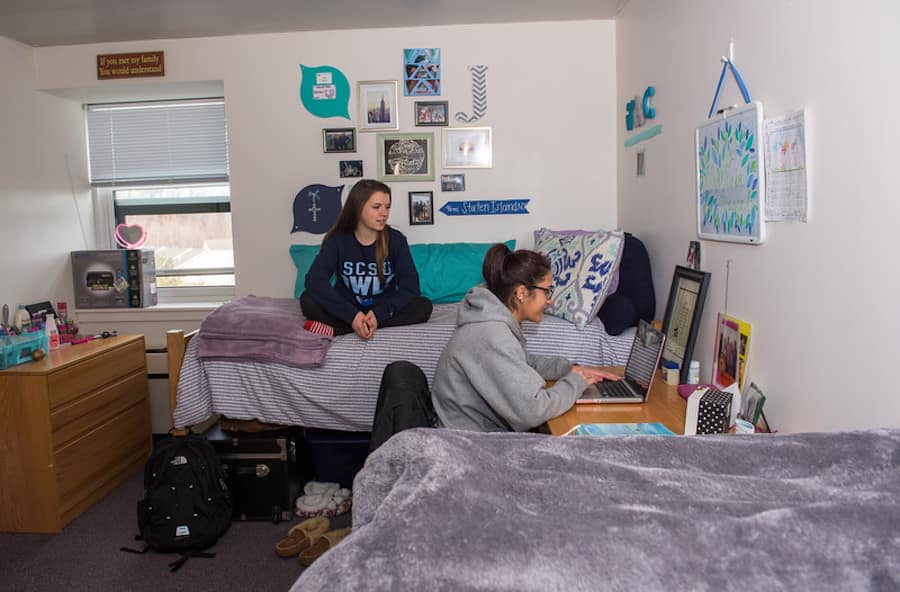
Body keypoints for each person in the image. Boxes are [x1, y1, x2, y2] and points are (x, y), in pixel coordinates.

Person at [430, 244, 619, 432]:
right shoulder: (492, 335)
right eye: (546, 291)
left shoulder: (493, 324)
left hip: (473, 432)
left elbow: (523, 362)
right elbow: (534, 410)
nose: (549, 300)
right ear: (521, 293)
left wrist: (569, 369)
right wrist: (576, 382)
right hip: (466, 443)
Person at [300, 179, 432, 339]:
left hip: (382, 310)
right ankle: (356, 325)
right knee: (307, 300)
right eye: (376, 207)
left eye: (387, 207)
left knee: (424, 306)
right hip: (347, 308)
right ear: (358, 208)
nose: (384, 213)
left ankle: (339, 330)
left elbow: (410, 287)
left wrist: (378, 315)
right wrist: (352, 316)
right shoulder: (337, 240)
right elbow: (314, 281)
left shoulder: (396, 240)